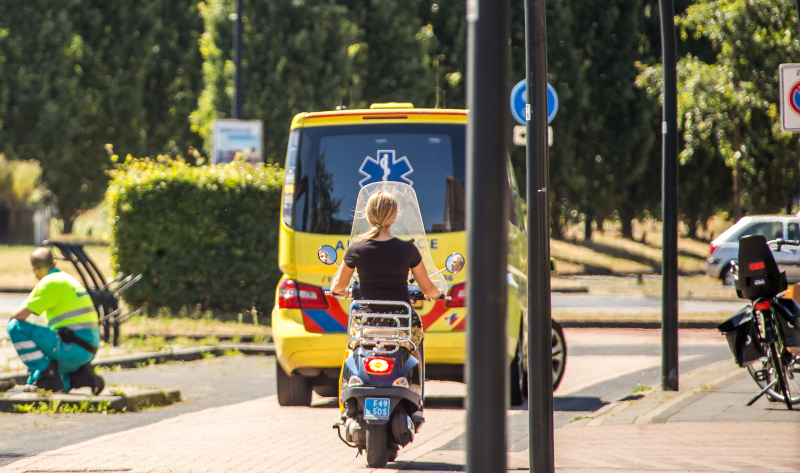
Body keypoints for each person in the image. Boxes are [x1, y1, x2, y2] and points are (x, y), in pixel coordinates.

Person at [330, 191, 441, 351]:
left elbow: (338, 286)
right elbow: (428, 289)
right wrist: (435, 294)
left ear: (368, 216)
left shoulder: (356, 249)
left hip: (366, 322)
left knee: (352, 352)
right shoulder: (408, 249)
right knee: (413, 350)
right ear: (394, 217)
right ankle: (417, 376)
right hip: (400, 323)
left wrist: (344, 292)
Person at [7, 248, 105, 393]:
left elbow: (18, 317)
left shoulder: (49, 283)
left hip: (71, 348)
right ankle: (79, 377)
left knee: (15, 327)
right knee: (36, 383)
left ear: (33, 269)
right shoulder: (67, 279)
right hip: (86, 349)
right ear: (54, 262)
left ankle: (50, 374)